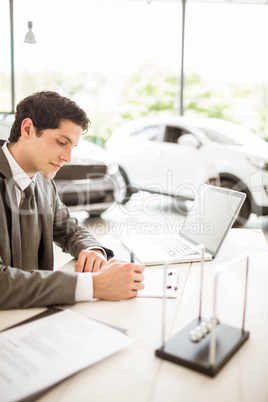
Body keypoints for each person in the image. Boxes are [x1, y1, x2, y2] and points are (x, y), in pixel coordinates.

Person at [0, 91, 145, 309]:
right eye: (61, 142)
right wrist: (95, 285)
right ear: (27, 129)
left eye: (72, 147)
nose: (67, 158)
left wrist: (92, 250)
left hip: (31, 314)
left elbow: (70, 231)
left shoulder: (43, 183)